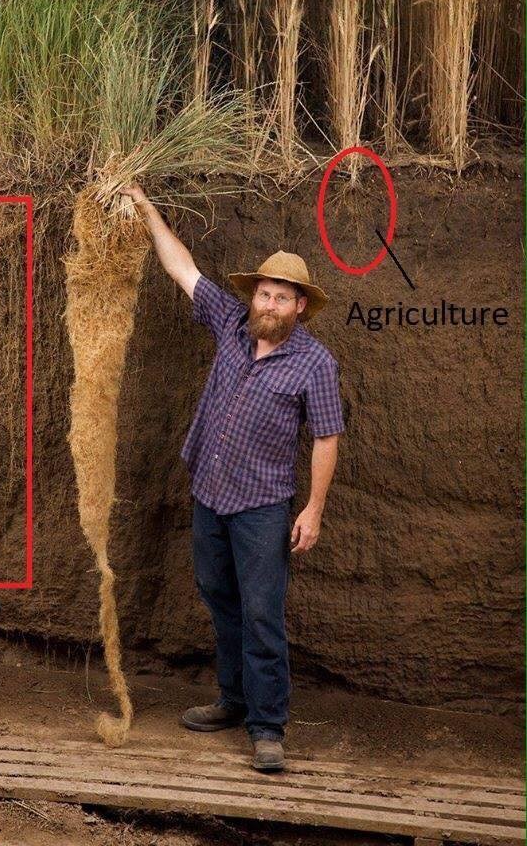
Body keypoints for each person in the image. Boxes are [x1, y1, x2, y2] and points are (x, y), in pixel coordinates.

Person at [120, 183, 345, 772]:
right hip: (210, 497)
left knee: (263, 611)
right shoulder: (229, 323)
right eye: (264, 294)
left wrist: (314, 509)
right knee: (220, 599)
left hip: (264, 508)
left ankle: (267, 727)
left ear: (300, 307)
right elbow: (182, 267)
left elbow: (326, 437)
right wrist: (146, 210)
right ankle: (233, 699)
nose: (268, 304)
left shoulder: (315, 364)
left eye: (281, 298)